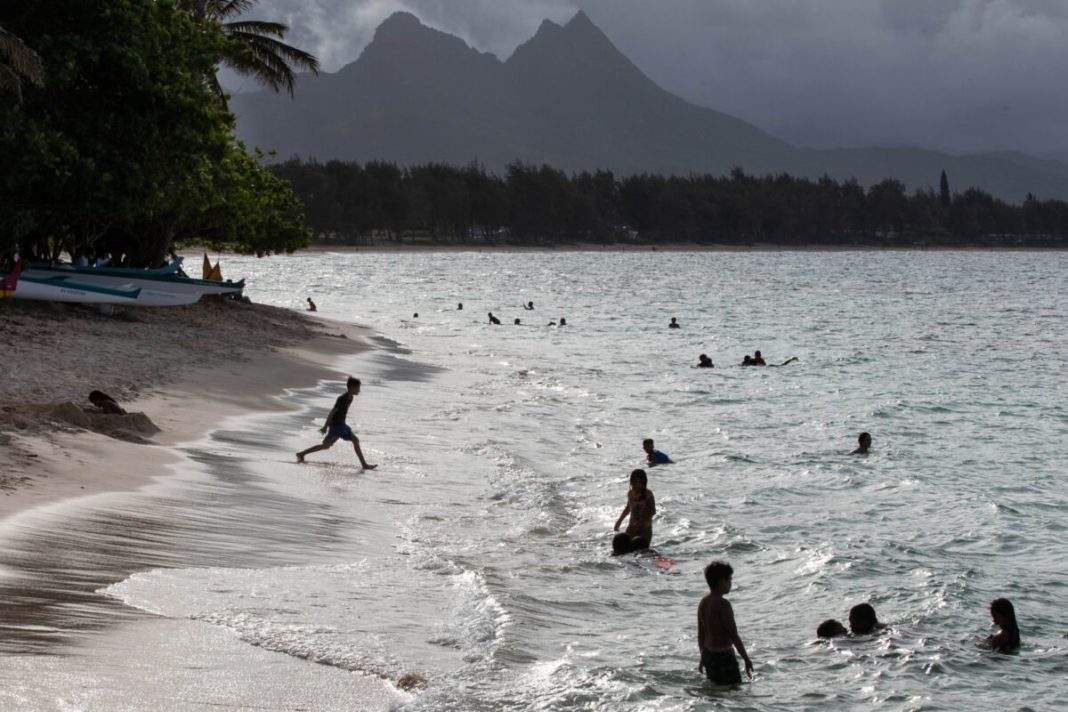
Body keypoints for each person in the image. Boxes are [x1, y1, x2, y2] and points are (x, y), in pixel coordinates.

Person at [296, 377, 377, 470]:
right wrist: (325, 426)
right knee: (355, 440)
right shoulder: (342, 398)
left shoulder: (351, 397)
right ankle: (364, 465)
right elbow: (332, 412)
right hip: (337, 426)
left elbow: (343, 412)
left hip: (340, 425)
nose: (359, 390)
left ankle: (301, 454)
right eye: (358, 388)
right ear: (352, 387)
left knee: (326, 446)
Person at [697, 560, 754, 685]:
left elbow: (701, 635)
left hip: (708, 654)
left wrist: (702, 657)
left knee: (715, 688)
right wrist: (746, 659)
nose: (730, 584)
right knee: (734, 689)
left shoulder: (703, 602)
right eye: (729, 580)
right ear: (722, 581)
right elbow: (733, 634)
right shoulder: (723, 604)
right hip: (723, 656)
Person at [613, 468, 656, 550]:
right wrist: (619, 521)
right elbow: (628, 508)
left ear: (644, 483)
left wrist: (640, 523)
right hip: (632, 525)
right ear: (631, 482)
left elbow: (652, 511)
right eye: (634, 482)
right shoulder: (630, 493)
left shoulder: (648, 494)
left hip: (645, 527)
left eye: (640, 483)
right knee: (625, 549)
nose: (637, 485)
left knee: (643, 550)